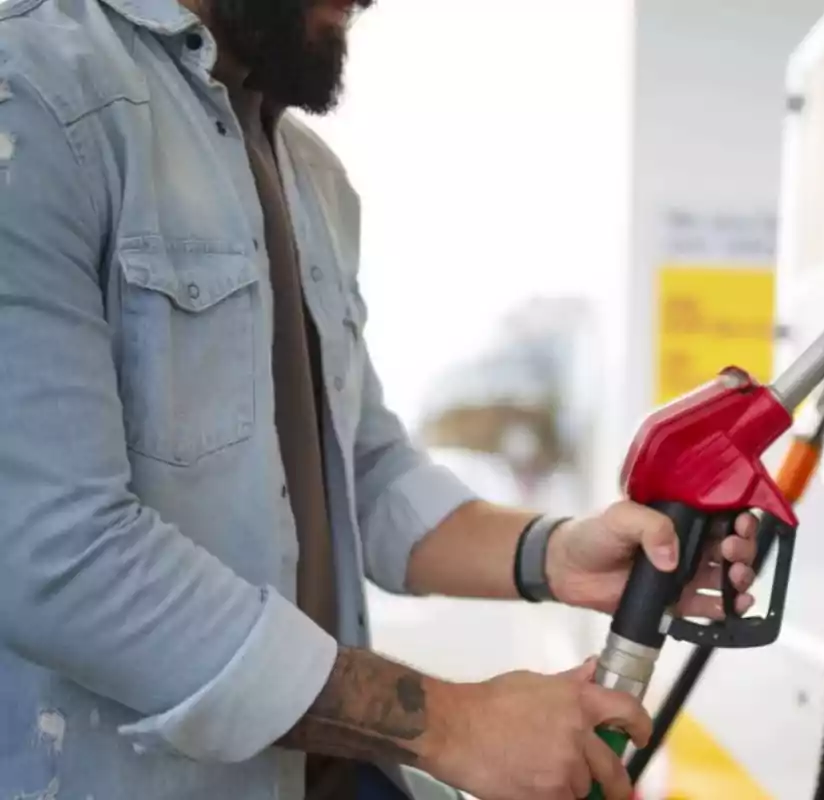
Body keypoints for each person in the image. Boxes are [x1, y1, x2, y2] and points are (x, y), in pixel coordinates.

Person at [0, 1, 762, 799]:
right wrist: (452, 723)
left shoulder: (312, 176)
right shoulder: (36, 93)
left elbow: (364, 474)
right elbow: (56, 552)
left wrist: (556, 553)